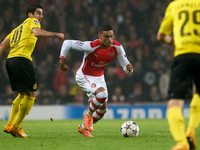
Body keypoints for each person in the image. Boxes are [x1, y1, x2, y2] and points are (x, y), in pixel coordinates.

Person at [0, 4, 64, 138]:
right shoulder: (32, 22)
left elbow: (2, 46)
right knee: (31, 95)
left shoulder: (16, 29)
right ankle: (16, 127)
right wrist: (55, 34)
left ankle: (10, 124)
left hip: (10, 61)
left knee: (22, 93)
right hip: (22, 60)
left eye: (41, 14)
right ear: (30, 15)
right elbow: (37, 32)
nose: (41, 16)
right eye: (38, 13)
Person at [59, 25, 133, 137]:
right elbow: (67, 43)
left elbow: (125, 65)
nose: (110, 39)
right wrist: (62, 61)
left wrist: (128, 69)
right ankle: (88, 114)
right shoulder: (91, 46)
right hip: (84, 76)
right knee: (102, 95)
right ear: (100, 36)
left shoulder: (117, 47)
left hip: (99, 76)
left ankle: (84, 127)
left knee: (103, 110)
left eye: (111, 36)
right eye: (106, 36)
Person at [157, 1, 200, 150]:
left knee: (174, 102)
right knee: (198, 94)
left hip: (183, 56)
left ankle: (182, 143)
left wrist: (174, 42)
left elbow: (161, 36)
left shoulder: (175, 6)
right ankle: (191, 131)